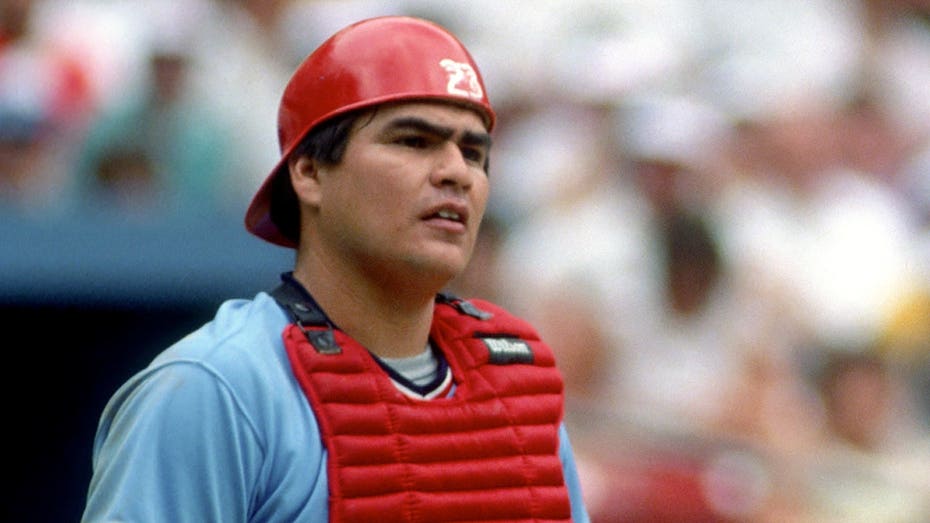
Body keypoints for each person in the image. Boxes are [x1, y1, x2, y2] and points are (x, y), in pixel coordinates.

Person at [81, 15, 590, 523]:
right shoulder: (216, 390)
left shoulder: (516, 384)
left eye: (474, 153)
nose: (457, 171)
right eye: (413, 141)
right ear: (308, 172)